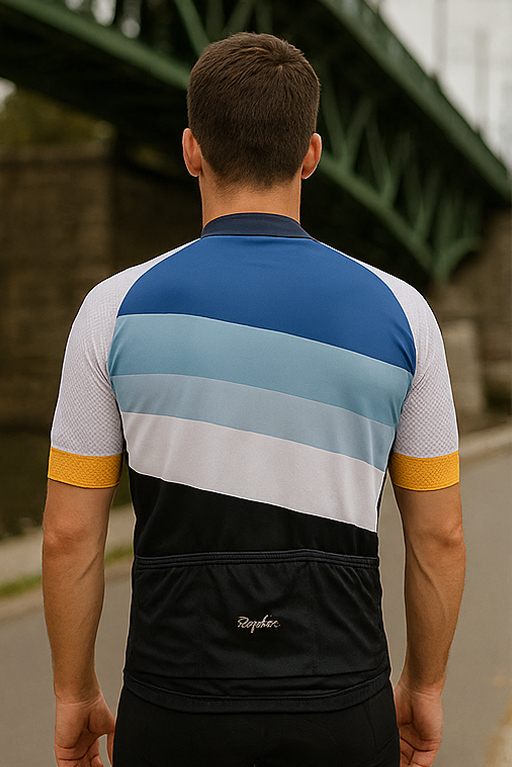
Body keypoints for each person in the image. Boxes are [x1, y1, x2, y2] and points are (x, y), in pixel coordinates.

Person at [42, 32, 465, 767]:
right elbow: (441, 537)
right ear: (311, 154)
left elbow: (67, 537)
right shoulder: (403, 313)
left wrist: (73, 693)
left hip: (173, 704)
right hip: (344, 703)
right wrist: (423, 686)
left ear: (191, 150)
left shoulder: (111, 310)